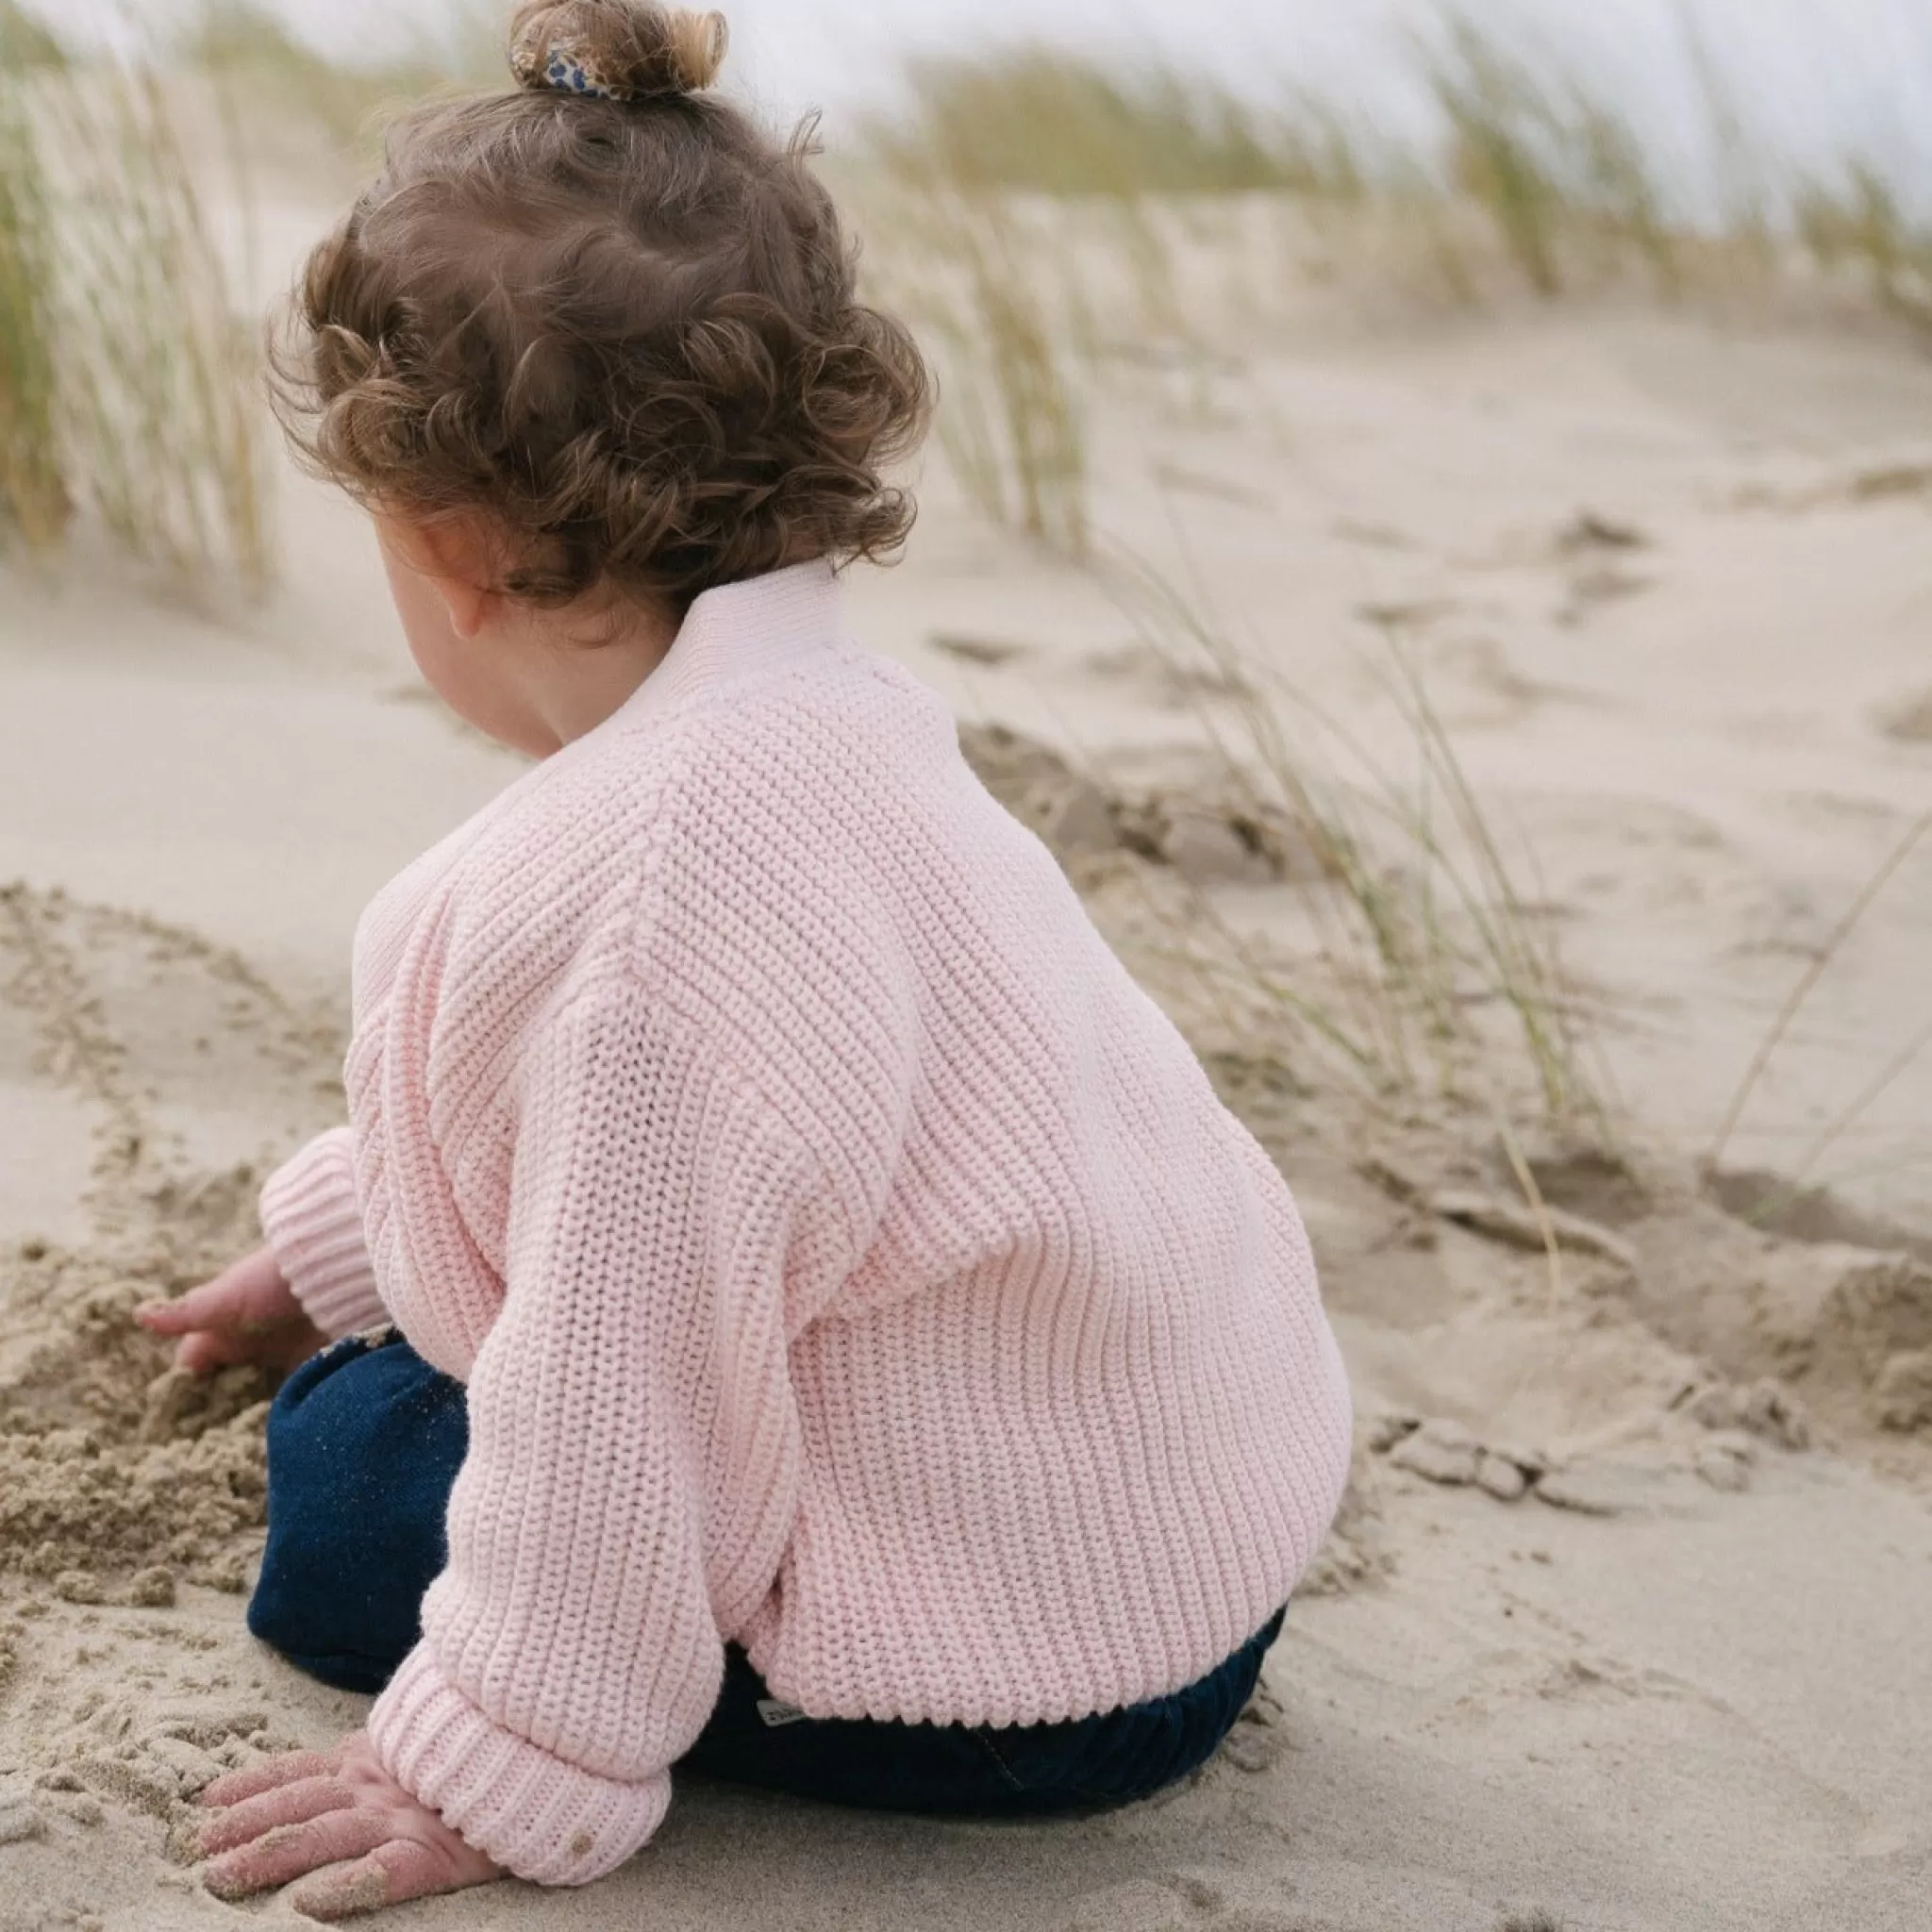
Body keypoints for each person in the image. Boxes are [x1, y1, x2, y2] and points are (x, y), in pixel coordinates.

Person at [135, 0, 1354, 1917]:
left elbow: (625, 1384)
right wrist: (343, 1244)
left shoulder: (645, 906)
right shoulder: (852, 728)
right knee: (413, 1384)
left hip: (1021, 1684)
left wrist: (502, 1765)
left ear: (445, 546)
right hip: (1179, 1544)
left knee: (351, 1495)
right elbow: (719, 1153)